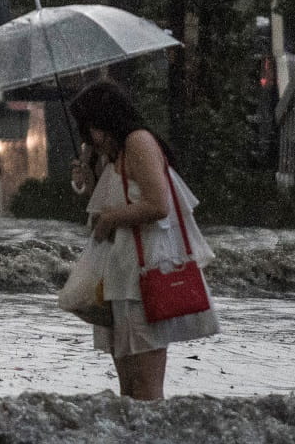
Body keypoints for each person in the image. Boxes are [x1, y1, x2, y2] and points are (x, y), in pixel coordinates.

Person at [68, 80, 219, 401]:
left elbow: (157, 204)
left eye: (90, 127)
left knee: (146, 389)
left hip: (144, 277)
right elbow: (110, 199)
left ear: (106, 119)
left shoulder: (139, 142)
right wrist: (87, 179)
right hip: (120, 276)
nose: (89, 137)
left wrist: (110, 219)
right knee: (128, 390)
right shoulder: (115, 153)